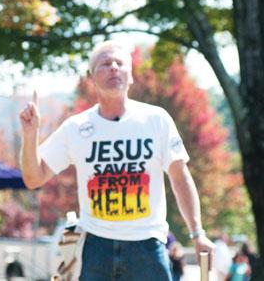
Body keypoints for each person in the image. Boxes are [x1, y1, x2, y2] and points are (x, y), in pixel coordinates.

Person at [19, 40, 215, 281]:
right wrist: (30, 137)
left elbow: (180, 177)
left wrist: (198, 233)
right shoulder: (76, 128)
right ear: (91, 78)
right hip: (95, 248)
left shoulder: (156, 120)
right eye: (104, 64)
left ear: (130, 76)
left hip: (148, 246)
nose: (113, 68)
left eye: (119, 63)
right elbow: (33, 178)